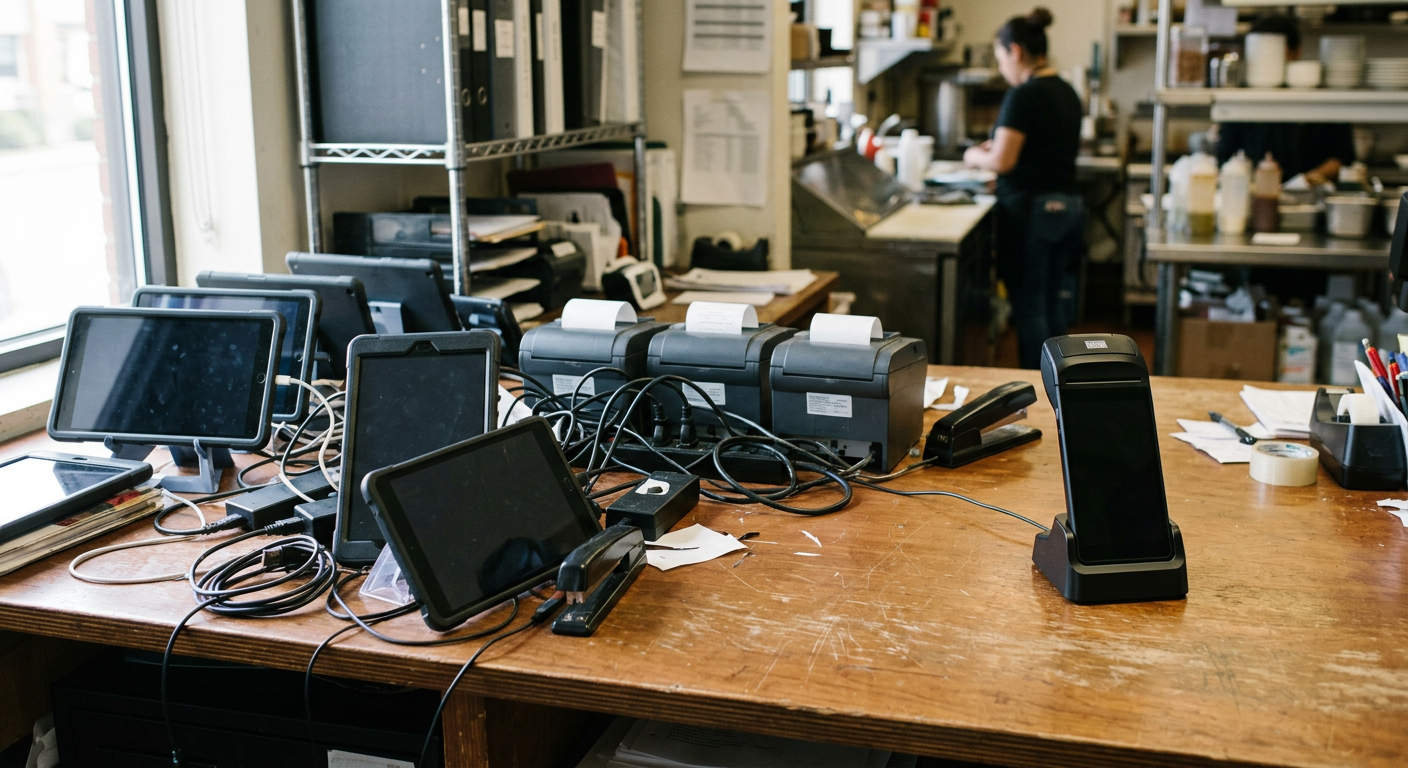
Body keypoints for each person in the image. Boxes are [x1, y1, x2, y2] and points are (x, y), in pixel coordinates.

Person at [964, 7, 1085, 369]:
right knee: (1051, 304)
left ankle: (1038, 386)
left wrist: (973, 155)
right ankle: (1064, 390)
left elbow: (1004, 160)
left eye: (1001, 58)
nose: (1002, 68)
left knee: (1030, 308)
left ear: (1015, 51)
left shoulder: (1024, 95)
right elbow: (1038, 152)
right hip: (1066, 211)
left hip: (1033, 213)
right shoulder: (1067, 91)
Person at [1215, 15, 1355, 186]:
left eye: (1273, 52)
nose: (1265, 61)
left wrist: (1303, 183)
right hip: (1253, 194)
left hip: (1309, 197)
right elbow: (1225, 156)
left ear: (1297, 52)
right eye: (1258, 52)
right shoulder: (1241, 98)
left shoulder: (1322, 98)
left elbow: (1341, 157)